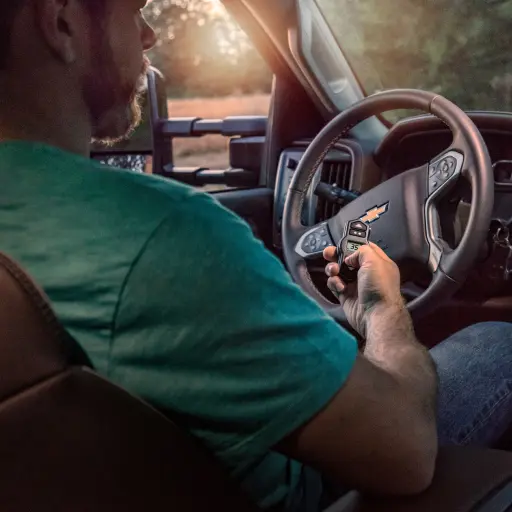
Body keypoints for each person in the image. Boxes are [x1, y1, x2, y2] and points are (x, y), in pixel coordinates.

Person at [0, 1, 510, 511]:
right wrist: (383, 310)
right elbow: (407, 451)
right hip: (323, 491)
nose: (149, 35)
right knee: (498, 340)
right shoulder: (159, 231)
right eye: (134, 11)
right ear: (60, 20)